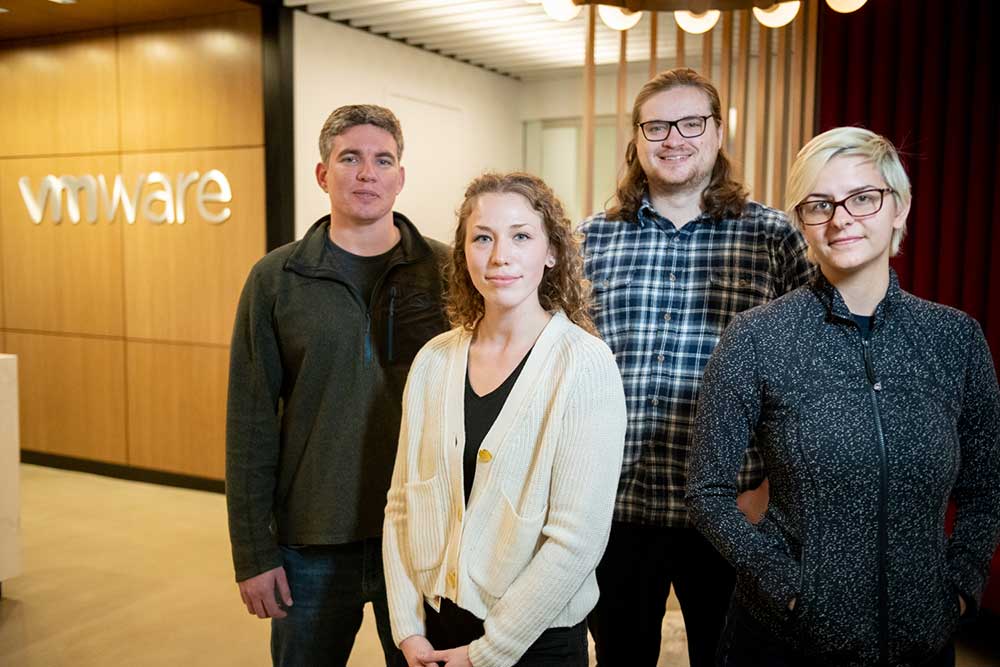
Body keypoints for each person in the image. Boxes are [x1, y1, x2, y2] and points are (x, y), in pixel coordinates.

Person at [687, 126, 1000, 667]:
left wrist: (960, 588)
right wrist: (784, 587)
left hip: (921, 642)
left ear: (899, 208)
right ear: (802, 224)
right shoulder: (757, 337)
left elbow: (985, 486)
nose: (841, 218)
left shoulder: (956, 340)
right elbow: (707, 491)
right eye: (819, 204)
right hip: (785, 641)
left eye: (863, 198)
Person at [580, 67, 814, 666]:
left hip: (731, 507)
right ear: (635, 140)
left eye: (690, 123)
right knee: (620, 658)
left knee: (727, 657)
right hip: (618, 504)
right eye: (656, 125)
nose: (673, 138)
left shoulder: (772, 238)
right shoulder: (590, 241)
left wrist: (769, 489)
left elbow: (811, 377)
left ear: (716, 134)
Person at [225, 104, 449, 667]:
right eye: (350, 158)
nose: (367, 173)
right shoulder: (276, 279)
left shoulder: (447, 272)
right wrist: (253, 552)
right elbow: (249, 421)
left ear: (401, 177)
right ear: (323, 174)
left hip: (424, 537)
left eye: (383, 160)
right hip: (314, 541)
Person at [382, 172, 627, 667]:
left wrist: (488, 652)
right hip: (434, 631)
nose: (500, 256)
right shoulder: (434, 360)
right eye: (483, 238)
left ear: (551, 251)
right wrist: (407, 630)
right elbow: (402, 505)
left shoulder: (584, 364)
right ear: (463, 252)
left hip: (536, 640)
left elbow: (576, 541)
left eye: (520, 236)